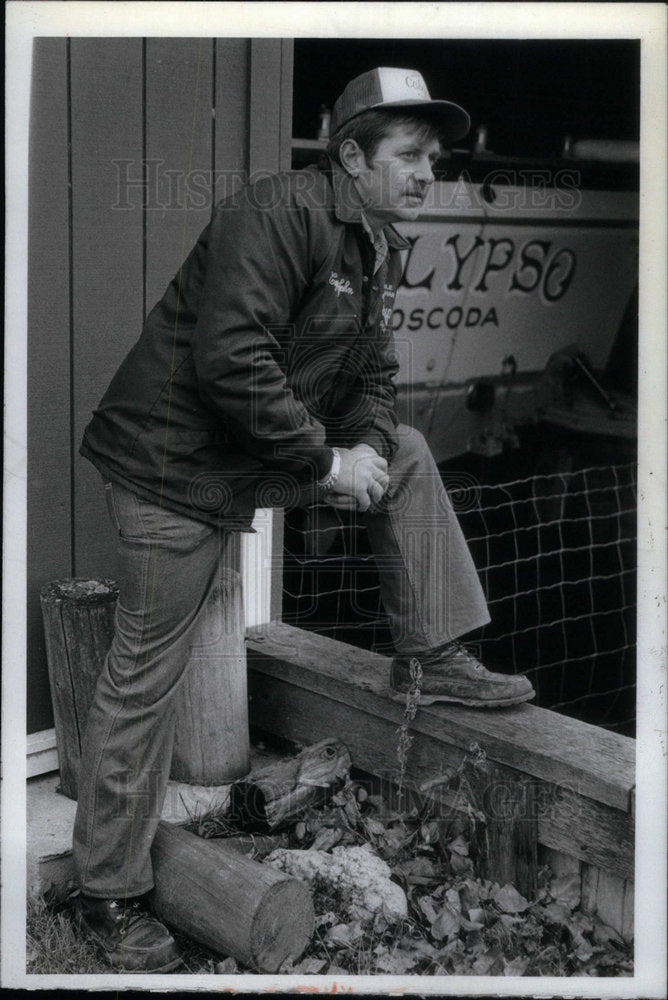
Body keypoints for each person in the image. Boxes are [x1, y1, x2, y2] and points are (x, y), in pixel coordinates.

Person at [73, 66, 535, 972]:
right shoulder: (274, 214)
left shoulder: (374, 247)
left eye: (433, 157)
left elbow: (372, 379)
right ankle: (107, 893)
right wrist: (325, 462)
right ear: (352, 155)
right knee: (146, 676)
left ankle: (432, 655)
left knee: (402, 448)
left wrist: (359, 453)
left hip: (247, 462)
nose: (426, 172)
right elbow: (229, 359)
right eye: (409, 154)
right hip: (170, 471)